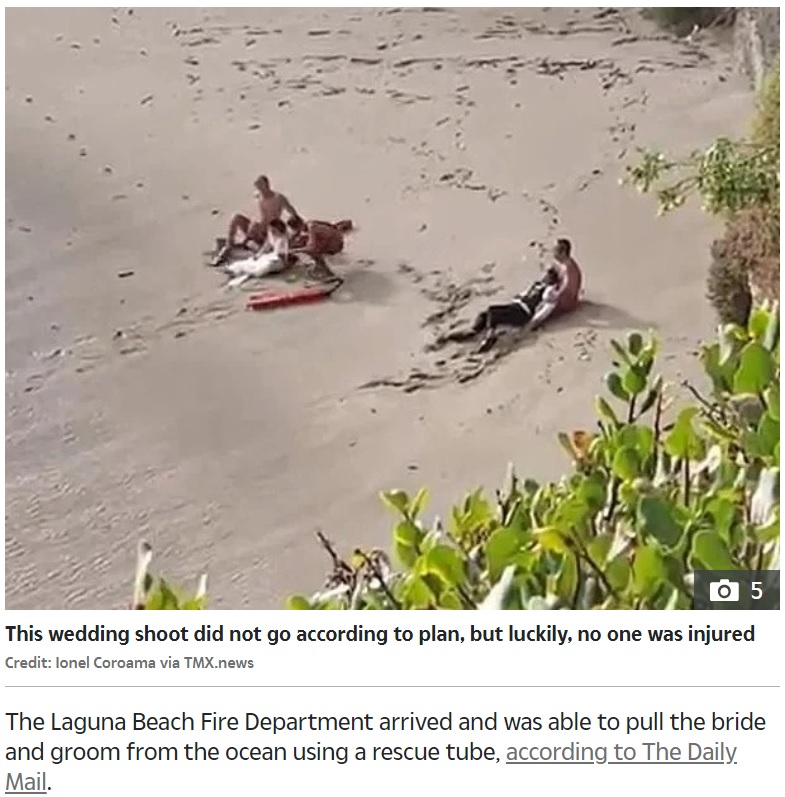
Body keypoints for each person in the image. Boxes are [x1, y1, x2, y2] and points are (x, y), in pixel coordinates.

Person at [210, 175, 299, 267]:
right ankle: (228, 246)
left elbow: (292, 212)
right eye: (257, 185)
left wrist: (294, 230)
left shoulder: (278, 198)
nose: (259, 187)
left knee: (256, 229)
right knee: (237, 217)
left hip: (270, 231)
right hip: (256, 229)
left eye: (261, 184)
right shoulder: (259, 196)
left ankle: (248, 244)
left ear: (267, 184)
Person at [223, 219, 290, 288]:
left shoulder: (283, 239)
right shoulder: (271, 233)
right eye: (271, 230)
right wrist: (259, 254)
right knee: (252, 261)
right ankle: (233, 268)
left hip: (278, 261)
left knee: (260, 269)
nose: (272, 232)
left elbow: (283, 256)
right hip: (271, 256)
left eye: (274, 230)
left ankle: (244, 271)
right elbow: (267, 245)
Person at [287, 216, 353, 280]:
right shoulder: (310, 223)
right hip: (335, 238)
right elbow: (329, 225)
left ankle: (328, 273)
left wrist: (294, 251)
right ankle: (318, 265)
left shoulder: (312, 228)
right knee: (303, 241)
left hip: (335, 244)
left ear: (299, 225)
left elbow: (312, 247)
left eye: (294, 228)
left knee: (311, 250)